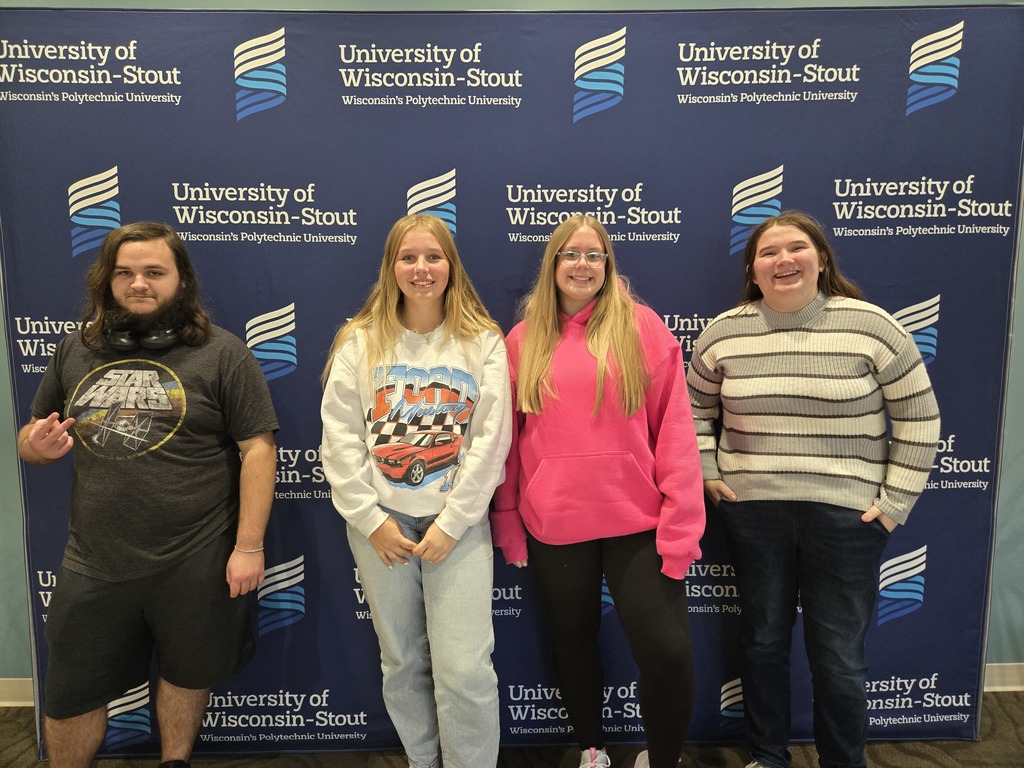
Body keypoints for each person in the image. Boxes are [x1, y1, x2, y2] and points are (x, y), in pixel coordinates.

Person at [17, 221, 278, 768]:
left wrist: (248, 545)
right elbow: (31, 440)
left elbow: (257, 449)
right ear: (105, 281)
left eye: (154, 272)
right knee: (71, 692)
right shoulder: (75, 350)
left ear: (180, 280)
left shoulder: (224, 353)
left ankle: (174, 761)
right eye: (125, 273)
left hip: (197, 556)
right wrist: (36, 445)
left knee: (187, 675)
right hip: (94, 559)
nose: (139, 283)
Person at [686, 211, 941, 768]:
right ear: (753, 269)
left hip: (848, 520)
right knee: (762, 643)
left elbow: (921, 421)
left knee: (840, 659)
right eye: (769, 252)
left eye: (796, 248)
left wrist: (894, 503)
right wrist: (708, 472)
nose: (784, 260)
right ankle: (768, 757)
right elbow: (694, 412)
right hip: (754, 515)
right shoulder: (724, 333)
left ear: (820, 259)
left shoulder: (873, 326)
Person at [492, 214, 706, 768]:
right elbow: (508, 445)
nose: (581, 264)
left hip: (637, 521)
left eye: (593, 254)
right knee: (572, 640)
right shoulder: (522, 339)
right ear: (552, 264)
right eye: (570, 254)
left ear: (607, 265)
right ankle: (592, 750)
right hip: (554, 522)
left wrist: (681, 529)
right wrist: (509, 519)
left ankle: (663, 760)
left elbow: (677, 434)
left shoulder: (644, 328)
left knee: (667, 652)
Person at [320, 213, 511, 768]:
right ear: (391, 267)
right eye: (409, 258)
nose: (421, 269)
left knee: (465, 667)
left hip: (458, 524)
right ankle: (425, 761)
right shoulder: (360, 341)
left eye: (433, 257)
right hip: (383, 525)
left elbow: (490, 440)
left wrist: (453, 523)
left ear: (451, 266)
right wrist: (370, 518)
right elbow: (340, 436)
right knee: (402, 661)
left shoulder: (482, 341)